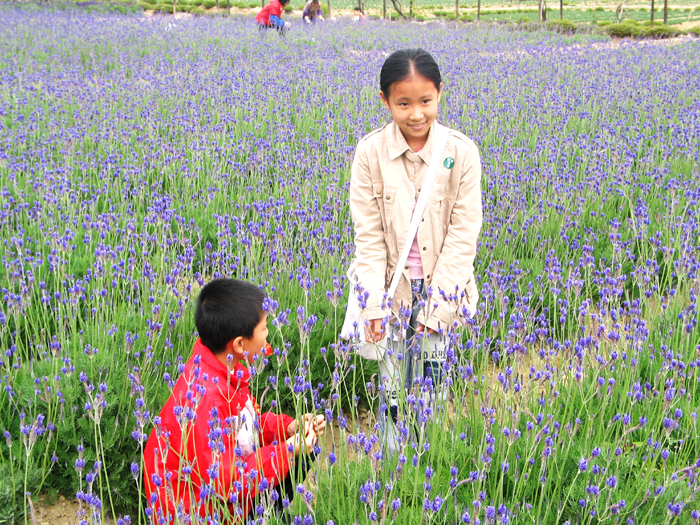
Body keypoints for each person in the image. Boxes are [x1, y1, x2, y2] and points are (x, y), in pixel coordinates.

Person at [349, 48, 482, 451]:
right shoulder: (369, 153)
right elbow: (368, 238)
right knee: (391, 393)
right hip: (391, 292)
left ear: (440, 93)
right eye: (403, 103)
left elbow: (464, 235)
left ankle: (431, 468)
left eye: (425, 101)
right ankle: (392, 473)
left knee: (433, 392)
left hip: (442, 289)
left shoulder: (461, 152)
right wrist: (372, 305)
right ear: (385, 100)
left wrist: (437, 308)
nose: (416, 114)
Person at [144, 278, 325, 523]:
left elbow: (245, 426)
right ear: (240, 344)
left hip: (218, 487)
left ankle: (269, 511)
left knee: (304, 451)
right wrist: (288, 449)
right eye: (264, 328)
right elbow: (226, 480)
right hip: (200, 511)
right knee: (295, 453)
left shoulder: (222, 369)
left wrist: (287, 429)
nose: (269, 333)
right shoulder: (206, 397)